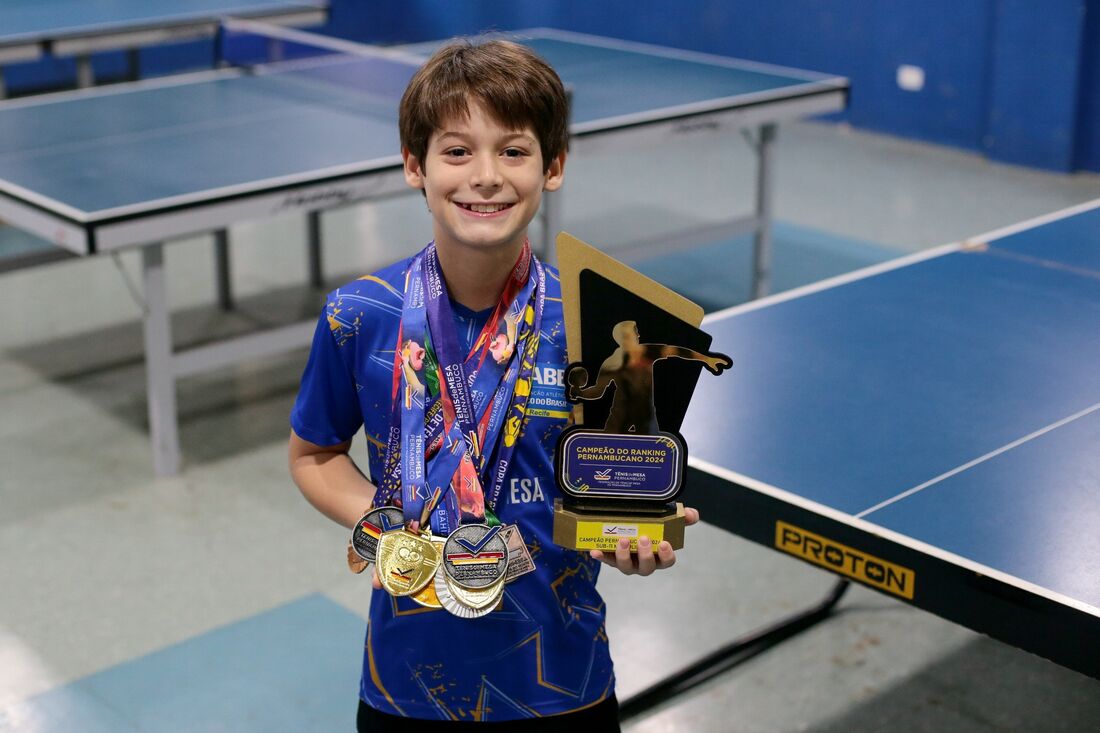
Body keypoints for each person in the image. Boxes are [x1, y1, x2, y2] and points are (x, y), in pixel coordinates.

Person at [288, 39, 699, 731]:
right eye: (456, 151)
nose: (485, 176)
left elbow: (618, 484)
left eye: (513, 151)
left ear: (553, 166)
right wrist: (389, 527)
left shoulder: (594, 323)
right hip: (406, 684)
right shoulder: (360, 314)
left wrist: (632, 535)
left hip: (563, 681)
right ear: (414, 166)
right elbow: (314, 454)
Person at [569, 320, 732, 434]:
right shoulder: (611, 363)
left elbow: (677, 351)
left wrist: (706, 359)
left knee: (653, 457)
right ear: (622, 339)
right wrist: (579, 392)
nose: (637, 336)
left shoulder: (648, 351)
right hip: (620, 416)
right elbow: (598, 391)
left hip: (645, 415)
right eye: (632, 334)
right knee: (609, 453)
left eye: (636, 333)